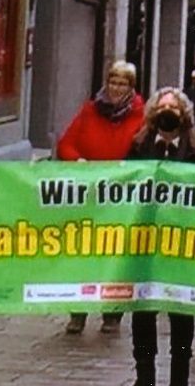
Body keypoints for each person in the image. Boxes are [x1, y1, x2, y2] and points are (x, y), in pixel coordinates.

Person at [125, 87, 195, 386]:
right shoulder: (139, 145)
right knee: (143, 310)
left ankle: (179, 378)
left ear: (185, 114)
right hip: (146, 240)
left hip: (183, 240)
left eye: (174, 107)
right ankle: (145, 377)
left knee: (180, 311)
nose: (168, 111)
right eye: (162, 106)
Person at [56, 60, 145, 335]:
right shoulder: (89, 111)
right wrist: (78, 160)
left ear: (131, 87)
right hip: (89, 195)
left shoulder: (141, 116)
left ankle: (111, 312)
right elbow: (66, 144)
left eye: (122, 83)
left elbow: (143, 151)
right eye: (113, 81)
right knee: (83, 253)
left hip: (121, 197)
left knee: (115, 255)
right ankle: (78, 312)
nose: (116, 88)